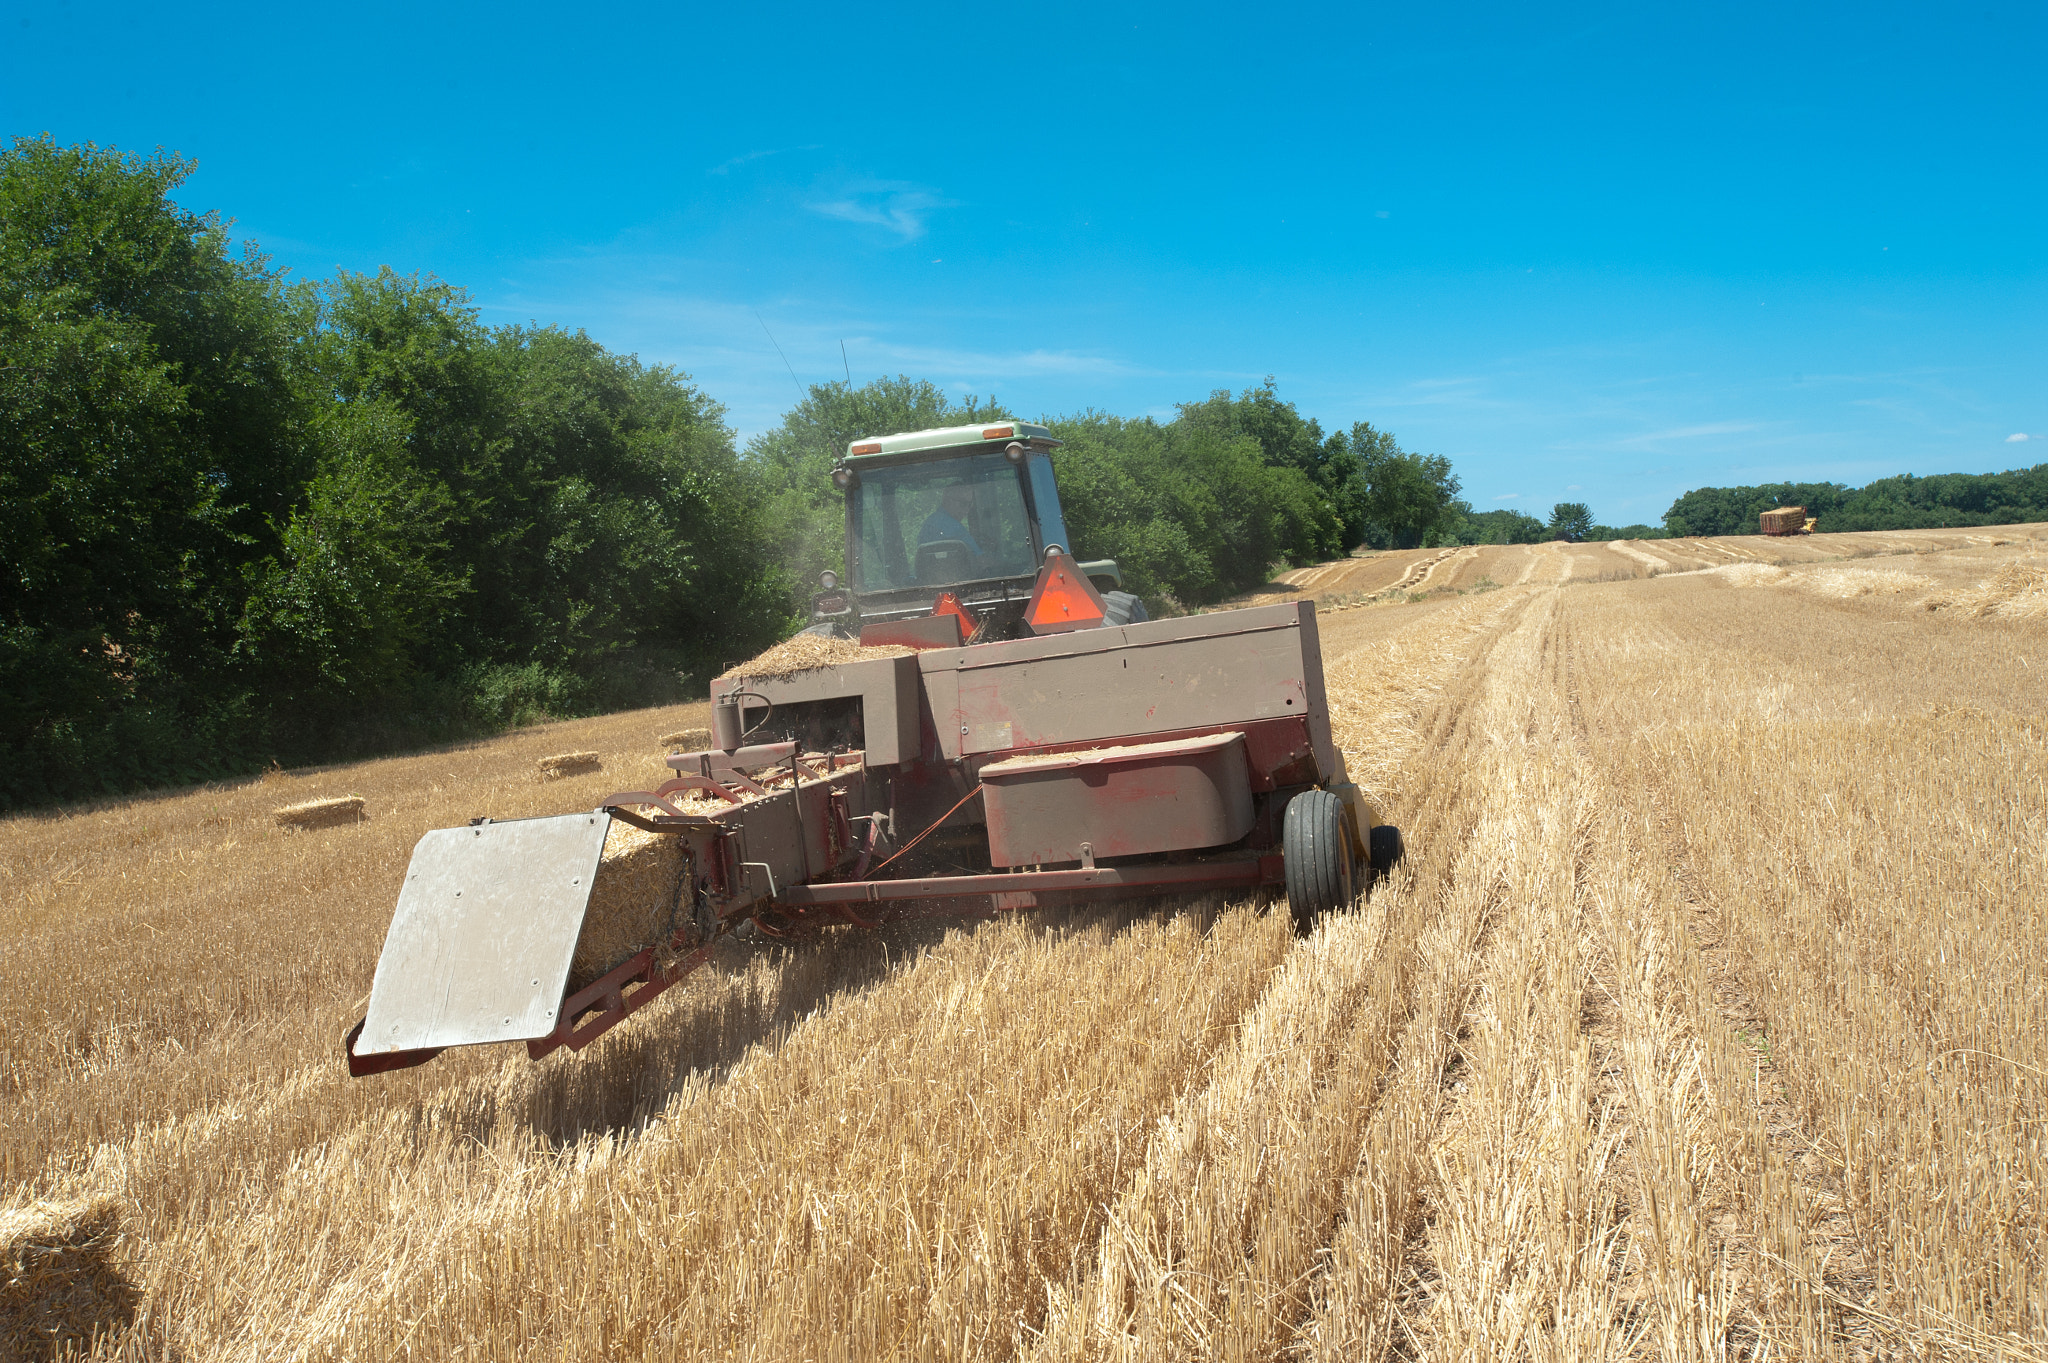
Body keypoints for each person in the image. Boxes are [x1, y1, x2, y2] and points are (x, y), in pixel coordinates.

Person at [919, 483, 985, 561]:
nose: (967, 510)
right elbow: (980, 561)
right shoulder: (955, 527)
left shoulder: (929, 523)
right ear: (947, 501)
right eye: (963, 504)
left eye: (970, 504)